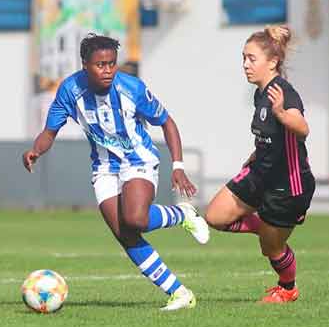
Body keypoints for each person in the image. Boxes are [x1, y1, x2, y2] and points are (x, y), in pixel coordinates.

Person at [22, 34, 209, 312]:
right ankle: (179, 293)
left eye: (112, 63)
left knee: (135, 219)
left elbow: (167, 122)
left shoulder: (131, 88)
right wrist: (36, 150)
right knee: (125, 233)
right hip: (104, 167)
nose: (108, 70)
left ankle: (183, 214)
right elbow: (50, 132)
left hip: (139, 160)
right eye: (100, 64)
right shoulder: (70, 90)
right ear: (85, 65)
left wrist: (178, 166)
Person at [204, 25, 315, 304]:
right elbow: (271, 136)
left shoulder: (284, 93)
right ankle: (262, 224)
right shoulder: (260, 93)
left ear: (273, 62)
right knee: (214, 216)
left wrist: (281, 113)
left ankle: (287, 288)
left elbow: (302, 128)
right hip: (260, 173)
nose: (245, 65)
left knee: (271, 249)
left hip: (288, 185)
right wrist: (257, 154)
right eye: (244, 57)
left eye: (251, 58)